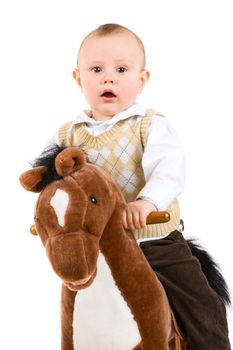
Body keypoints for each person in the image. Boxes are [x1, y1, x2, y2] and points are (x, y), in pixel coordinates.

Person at [49, 23, 230, 349]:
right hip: (97, 248)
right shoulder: (68, 135)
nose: (108, 78)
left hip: (154, 243)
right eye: (96, 69)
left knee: (205, 310)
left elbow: (168, 172)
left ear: (141, 79)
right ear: (78, 79)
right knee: (70, 305)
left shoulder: (149, 125)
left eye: (121, 69)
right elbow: (55, 187)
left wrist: (147, 203)